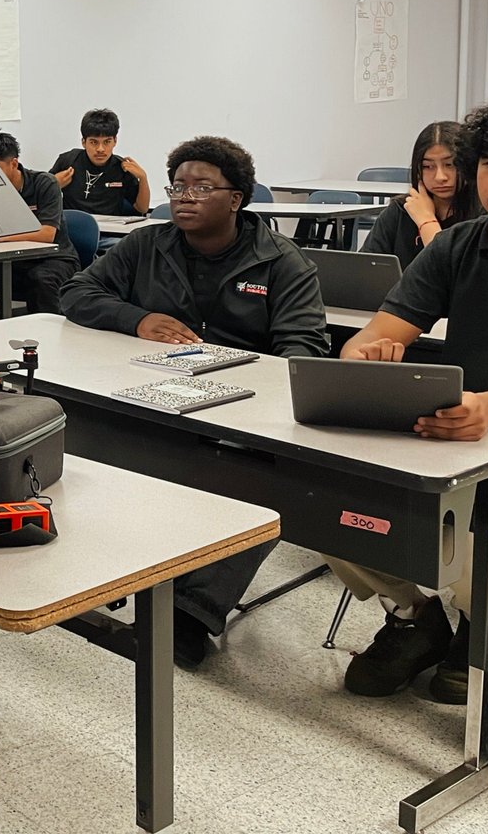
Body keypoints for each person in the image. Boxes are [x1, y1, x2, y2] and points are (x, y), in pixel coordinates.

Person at [327, 90, 488, 703]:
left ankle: (485, 629)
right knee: (330, 509)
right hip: (462, 423)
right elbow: (371, 336)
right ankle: (415, 621)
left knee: (484, 561)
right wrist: (366, 358)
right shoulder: (458, 246)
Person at [60, 135, 328, 667]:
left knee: (259, 484)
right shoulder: (146, 244)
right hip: (153, 390)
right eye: (177, 186)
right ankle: (97, 569)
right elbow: (75, 293)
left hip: (247, 405)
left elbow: (303, 350)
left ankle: (190, 613)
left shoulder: (281, 262)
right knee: (83, 432)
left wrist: (254, 389)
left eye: (202, 187)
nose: (185, 196)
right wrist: (136, 319)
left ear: (236, 199)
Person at [0, 130, 79, 322]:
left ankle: (49, 334)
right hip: (12, 260)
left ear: (13, 163)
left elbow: (46, 234)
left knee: (41, 279)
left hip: (54, 259)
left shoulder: (44, 183)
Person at [362, 121, 478, 269]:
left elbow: (451, 273)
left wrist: (426, 221)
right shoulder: (400, 210)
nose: (440, 177)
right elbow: (365, 266)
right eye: (428, 166)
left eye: (450, 165)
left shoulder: (484, 217)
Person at [51, 108, 150, 217]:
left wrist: (143, 178)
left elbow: (142, 208)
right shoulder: (68, 160)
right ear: (84, 142)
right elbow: (41, 198)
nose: (100, 149)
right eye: (94, 142)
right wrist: (54, 184)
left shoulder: (122, 168)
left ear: (115, 141)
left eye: (107, 142)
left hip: (111, 226)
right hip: (73, 224)